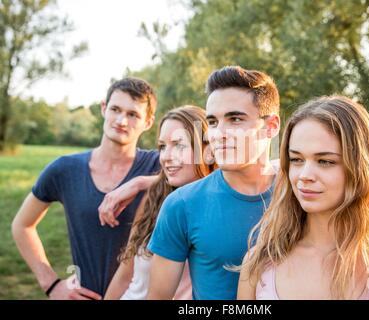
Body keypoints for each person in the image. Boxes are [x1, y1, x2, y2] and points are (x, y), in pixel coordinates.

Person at [237, 95, 369, 300]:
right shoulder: (260, 263)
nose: (304, 176)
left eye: (325, 161)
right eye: (296, 159)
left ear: (360, 168)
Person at [12, 77, 160, 299]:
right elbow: (22, 225)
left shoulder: (159, 165)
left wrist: (141, 183)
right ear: (103, 108)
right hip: (86, 295)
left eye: (133, 114)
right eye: (115, 109)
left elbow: (207, 176)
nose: (121, 120)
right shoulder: (64, 169)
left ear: (148, 122)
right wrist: (51, 285)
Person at [146, 66, 281, 300]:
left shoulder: (302, 195)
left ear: (271, 127)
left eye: (235, 119)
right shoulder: (181, 205)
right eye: (213, 122)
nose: (218, 134)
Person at [104, 105, 215, 300]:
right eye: (163, 146)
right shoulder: (155, 196)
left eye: (179, 145)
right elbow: (125, 274)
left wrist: (139, 182)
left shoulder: (217, 207)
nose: (166, 157)